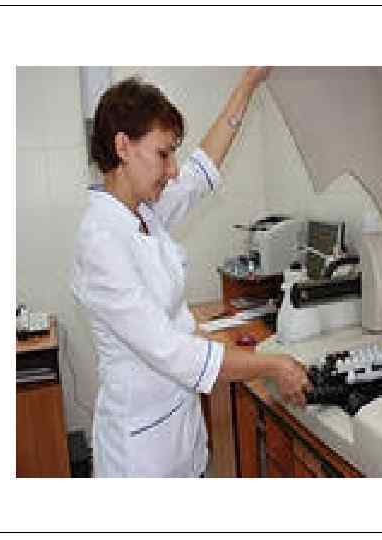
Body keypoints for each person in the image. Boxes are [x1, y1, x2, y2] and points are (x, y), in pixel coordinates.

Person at [71, 67, 310, 477]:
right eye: (163, 154)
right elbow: (171, 350)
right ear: (123, 146)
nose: (173, 170)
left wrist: (249, 83)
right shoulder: (101, 241)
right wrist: (274, 365)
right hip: (140, 457)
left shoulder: (143, 212)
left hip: (178, 430)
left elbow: (201, 172)